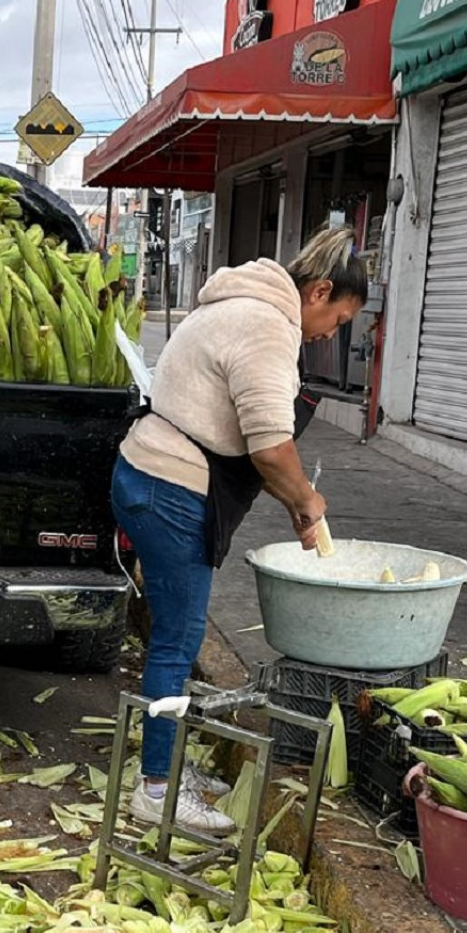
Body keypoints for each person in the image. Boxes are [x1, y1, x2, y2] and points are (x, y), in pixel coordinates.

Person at [112, 226, 368, 832]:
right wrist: (306, 501)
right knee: (178, 639)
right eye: (339, 318)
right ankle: (155, 791)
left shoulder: (239, 301)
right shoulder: (265, 326)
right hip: (170, 488)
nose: (332, 334)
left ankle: (165, 759)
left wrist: (296, 501)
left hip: (147, 473)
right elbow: (271, 448)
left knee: (175, 635)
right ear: (320, 291)